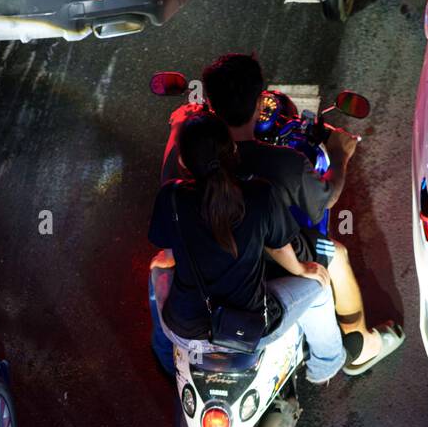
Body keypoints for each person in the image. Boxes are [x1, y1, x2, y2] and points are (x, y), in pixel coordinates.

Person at [164, 52, 403, 376]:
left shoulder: (183, 176)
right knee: (333, 260)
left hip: (195, 301)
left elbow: (167, 201)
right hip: (256, 299)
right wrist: (339, 154)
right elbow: (319, 206)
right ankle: (349, 349)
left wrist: (178, 131)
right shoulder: (276, 173)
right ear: (259, 101)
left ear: (210, 103)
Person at [149, 112, 345, 385]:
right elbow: (278, 248)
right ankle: (326, 365)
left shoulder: (170, 196)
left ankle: (164, 356)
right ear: (232, 151)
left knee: (155, 272)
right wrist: (304, 268)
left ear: (182, 161)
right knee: (320, 290)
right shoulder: (259, 194)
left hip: (184, 330)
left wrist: (168, 259)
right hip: (248, 330)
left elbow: (169, 249)